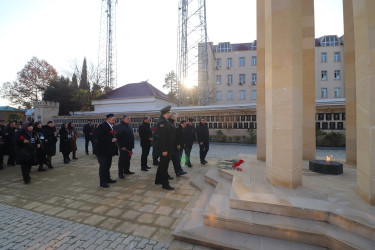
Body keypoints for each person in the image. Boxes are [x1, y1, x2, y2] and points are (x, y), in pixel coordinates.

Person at [155, 106, 175, 190]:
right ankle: (165, 184)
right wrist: (164, 150)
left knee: (162, 165)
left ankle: (158, 180)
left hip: (167, 148)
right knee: (164, 166)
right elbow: (162, 138)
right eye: (169, 113)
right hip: (164, 149)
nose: (170, 114)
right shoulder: (162, 122)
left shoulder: (165, 121)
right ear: (166, 113)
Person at [97, 114, 118, 188]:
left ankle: (108, 178)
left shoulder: (111, 126)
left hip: (109, 150)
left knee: (108, 165)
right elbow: (100, 138)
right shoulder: (102, 126)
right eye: (113, 119)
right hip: (103, 150)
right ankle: (102, 182)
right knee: (103, 166)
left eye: (114, 119)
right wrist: (112, 139)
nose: (114, 121)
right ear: (108, 119)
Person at [169, 113, 187, 177]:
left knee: (179, 159)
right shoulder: (177, 129)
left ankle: (180, 170)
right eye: (184, 124)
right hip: (177, 147)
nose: (185, 125)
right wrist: (178, 144)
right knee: (176, 160)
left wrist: (183, 143)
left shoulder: (182, 129)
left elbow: (183, 137)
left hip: (181, 146)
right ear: (181, 124)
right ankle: (178, 172)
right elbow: (175, 138)